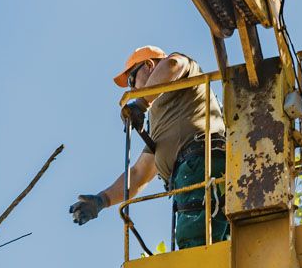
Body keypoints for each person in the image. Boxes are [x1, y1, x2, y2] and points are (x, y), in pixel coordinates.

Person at [69, 46, 229, 249]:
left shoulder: (182, 72)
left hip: (201, 163)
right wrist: (102, 200)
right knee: (209, 244)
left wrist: (141, 103)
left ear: (148, 65)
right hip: (188, 175)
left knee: (196, 243)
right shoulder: (159, 121)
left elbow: (172, 65)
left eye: (130, 81)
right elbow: (138, 174)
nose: (133, 90)